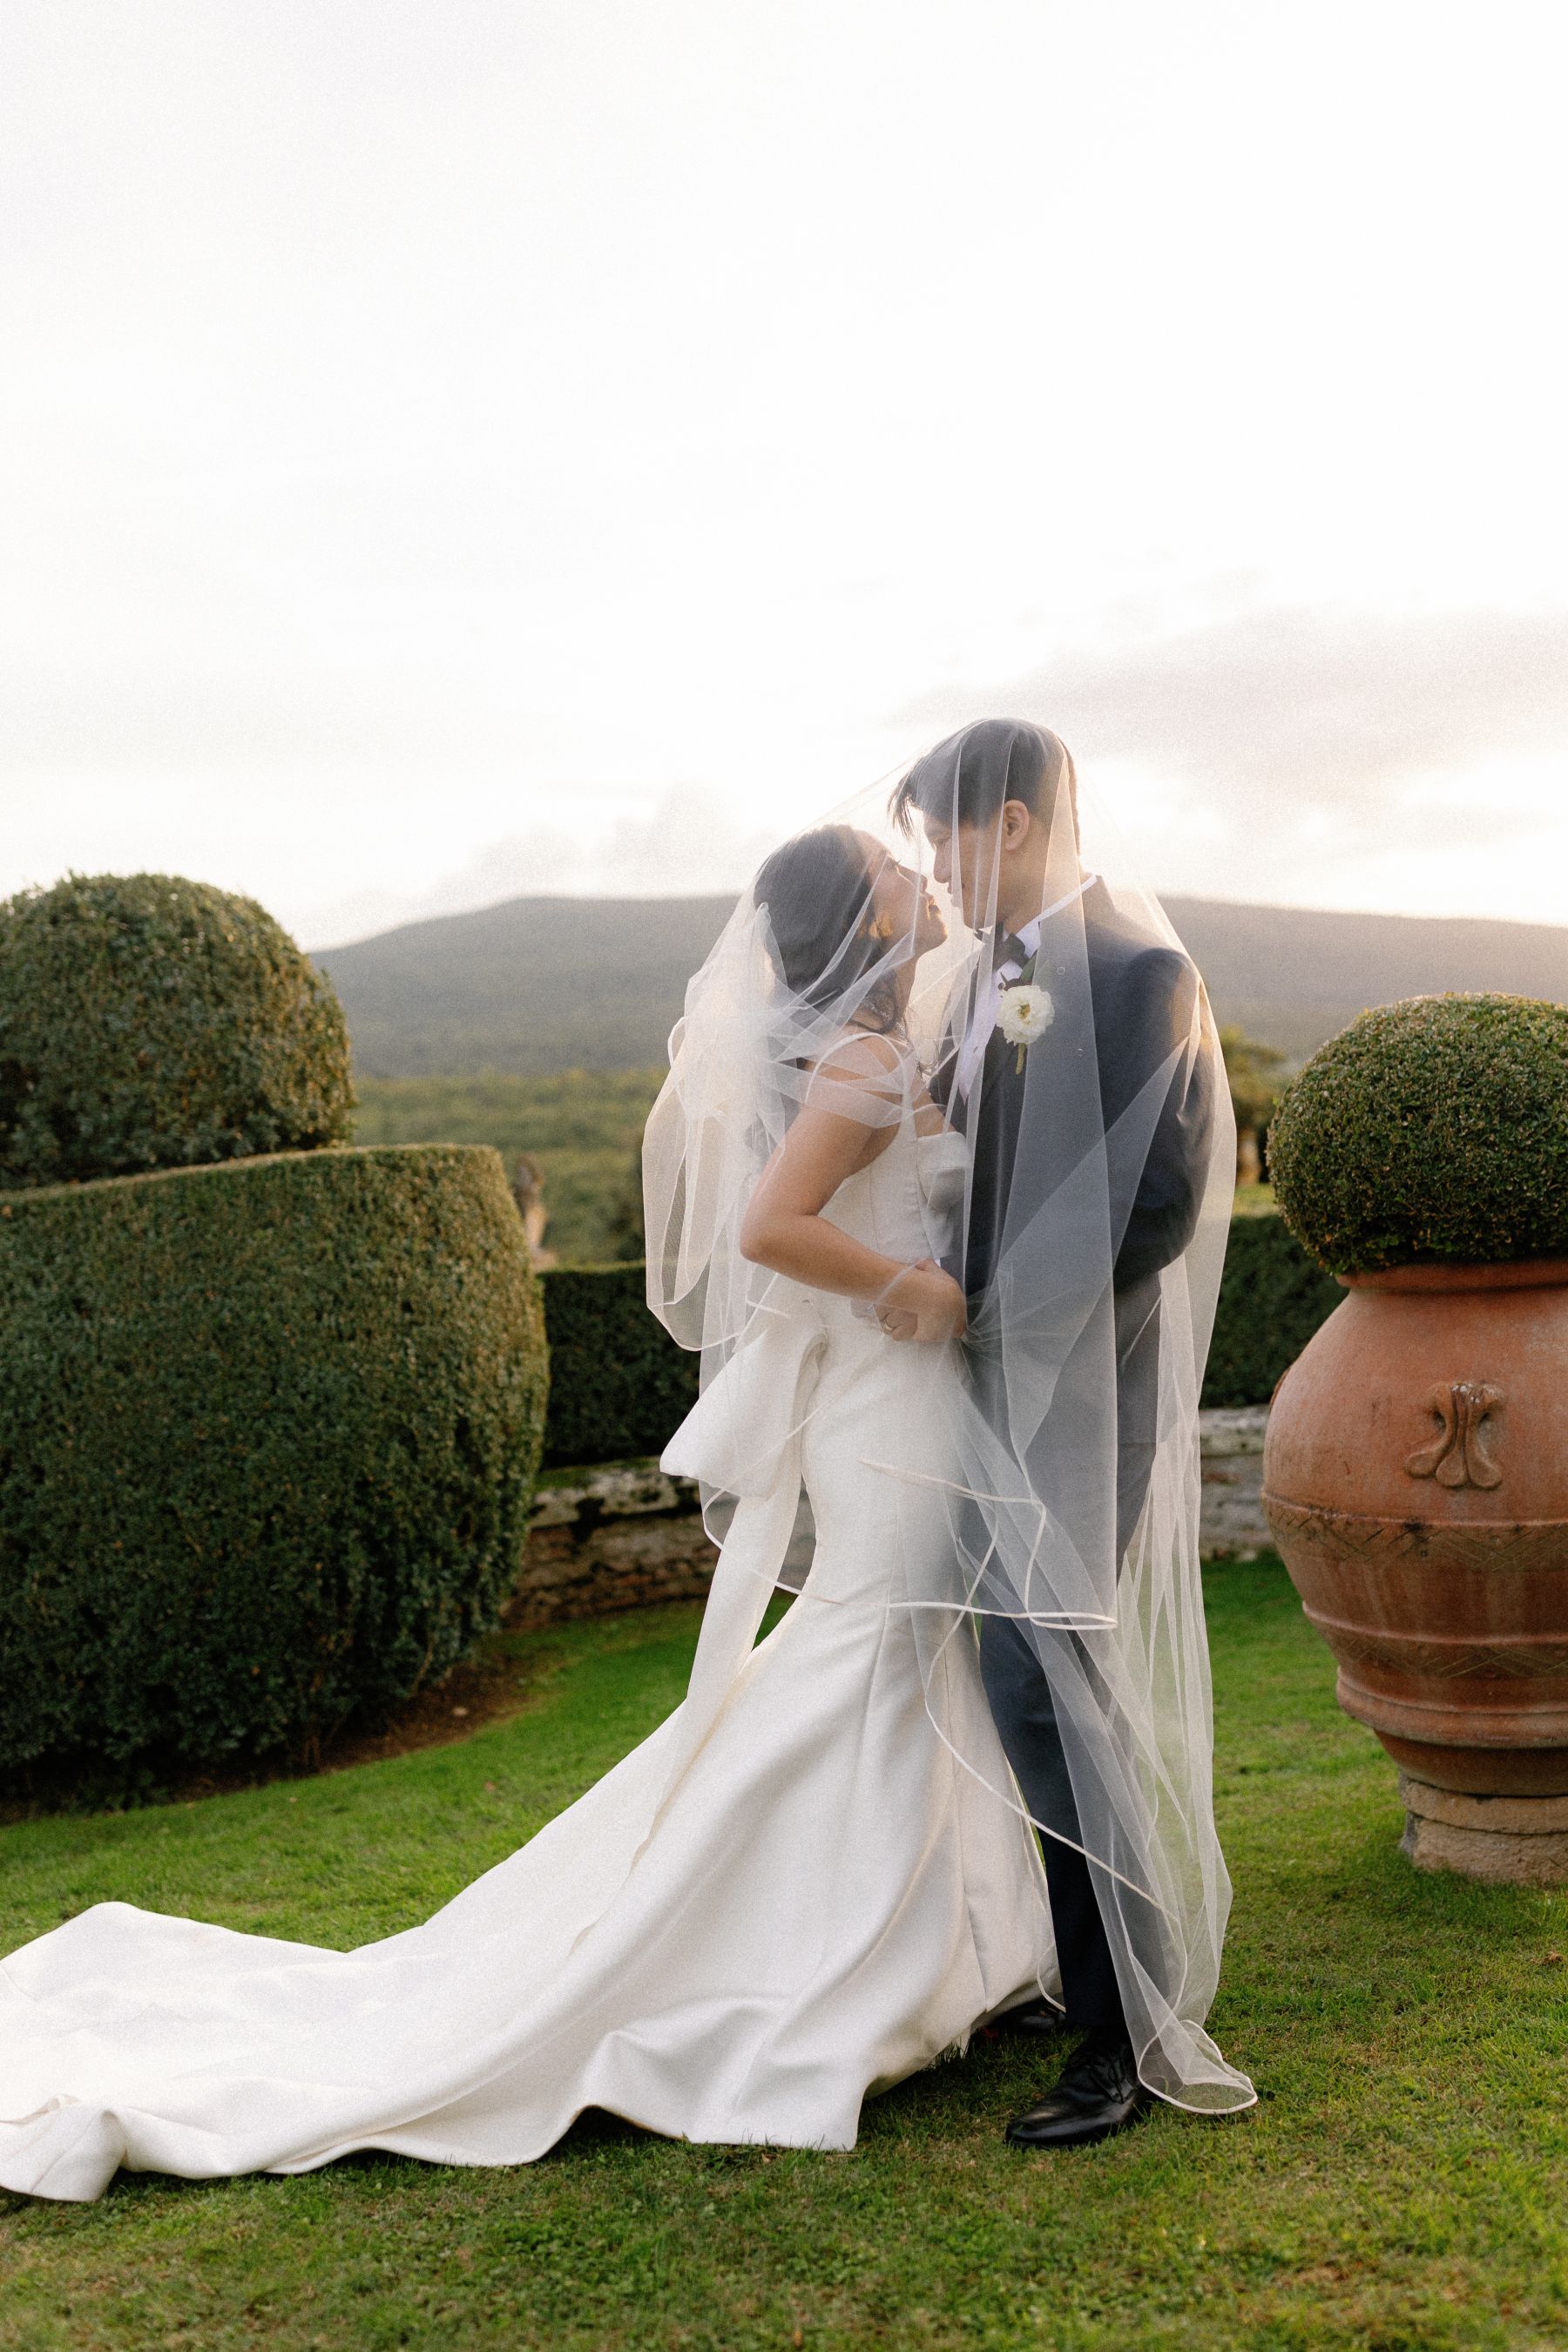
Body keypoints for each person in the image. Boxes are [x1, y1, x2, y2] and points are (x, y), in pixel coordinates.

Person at [0, 815, 1063, 2205]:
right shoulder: (864, 1061)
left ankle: (948, 1955)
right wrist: (903, 1289)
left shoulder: (894, 1046)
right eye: (894, 873)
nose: (925, 881)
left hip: (909, 1407)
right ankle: (797, 1969)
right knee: (872, 1655)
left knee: (908, 1658)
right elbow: (769, 1230)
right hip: (895, 1402)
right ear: (864, 927)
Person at [893, 718, 1227, 2147]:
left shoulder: (1145, 975)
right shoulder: (976, 986)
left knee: (1059, 1694)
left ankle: (1124, 2037)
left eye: (950, 838)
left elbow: (1157, 1204)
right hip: (978, 1393)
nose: (942, 873)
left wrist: (989, 1303)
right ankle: (1090, 1970)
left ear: (1015, 825)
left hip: (1082, 1399)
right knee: (1017, 1692)